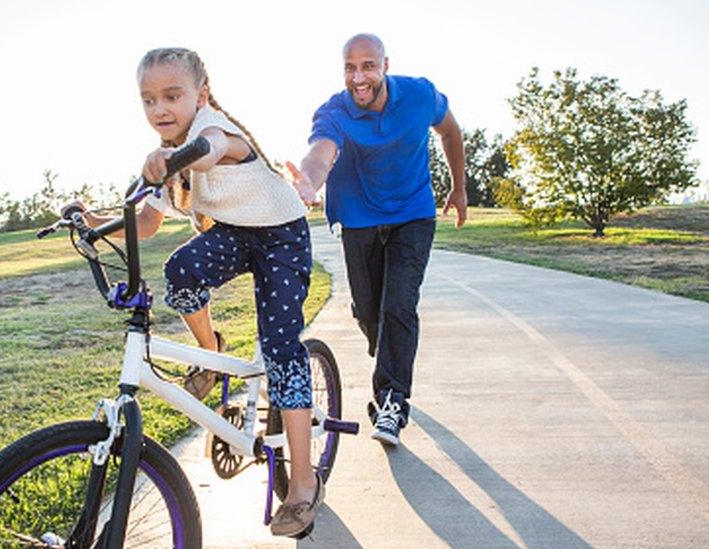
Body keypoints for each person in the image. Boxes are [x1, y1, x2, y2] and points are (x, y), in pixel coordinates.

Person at [66, 47, 323, 537]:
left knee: (282, 349)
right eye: (148, 100)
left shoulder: (214, 130)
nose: (159, 109)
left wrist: (172, 157)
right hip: (234, 232)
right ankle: (211, 351)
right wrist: (92, 222)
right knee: (181, 270)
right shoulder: (170, 157)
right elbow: (145, 220)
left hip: (282, 234)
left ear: (200, 94)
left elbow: (209, 149)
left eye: (171, 95)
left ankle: (304, 483)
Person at [288, 33, 467, 447]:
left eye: (368, 66)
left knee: (398, 305)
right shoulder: (335, 111)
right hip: (359, 218)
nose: (359, 77)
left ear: (385, 64)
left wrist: (459, 187)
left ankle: (391, 401)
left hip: (413, 214)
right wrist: (308, 182)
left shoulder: (420, 95)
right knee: (371, 312)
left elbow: (451, 131)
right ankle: (388, 349)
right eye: (350, 68)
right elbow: (320, 152)